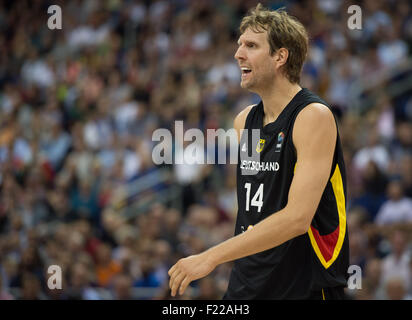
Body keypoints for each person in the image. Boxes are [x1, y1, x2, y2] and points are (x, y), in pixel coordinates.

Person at [168, 3, 349, 300]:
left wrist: (211, 256)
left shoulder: (312, 116)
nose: (238, 53)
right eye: (240, 45)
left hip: (304, 283)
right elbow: (255, 204)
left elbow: (297, 219)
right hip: (249, 282)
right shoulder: (245, 121)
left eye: (251, 45)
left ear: (280, 56)